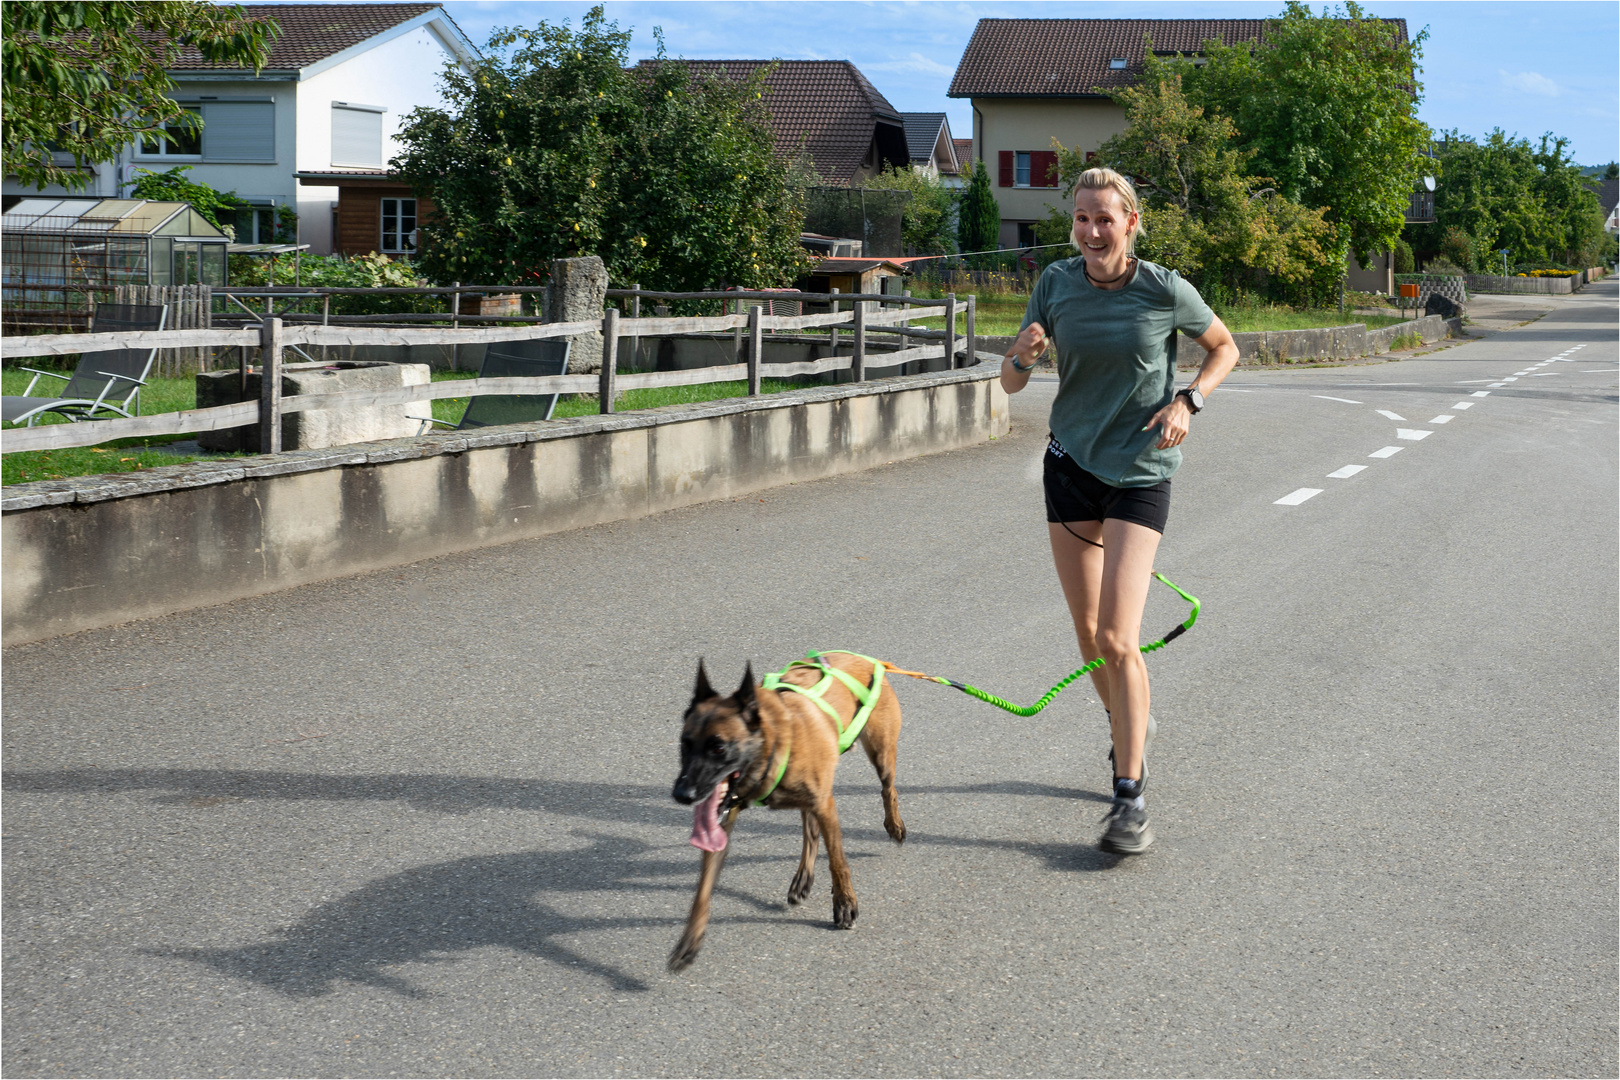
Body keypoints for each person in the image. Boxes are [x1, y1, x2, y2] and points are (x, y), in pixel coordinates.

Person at [1001, 168, 1239, 855]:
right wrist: (1018, 358)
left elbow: (1225, 347)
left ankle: (1128, 795)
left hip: (1140, 472)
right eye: (1081, 219)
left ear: (1131, 223)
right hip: (1069, 467)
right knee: (1085, 632)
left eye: (1105, 219)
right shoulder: (1054, 283)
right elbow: (1012, 380)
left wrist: (1189, 400)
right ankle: (1128, 721)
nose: (1091, 232)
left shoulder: (1164, 288)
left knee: (1116, 636)